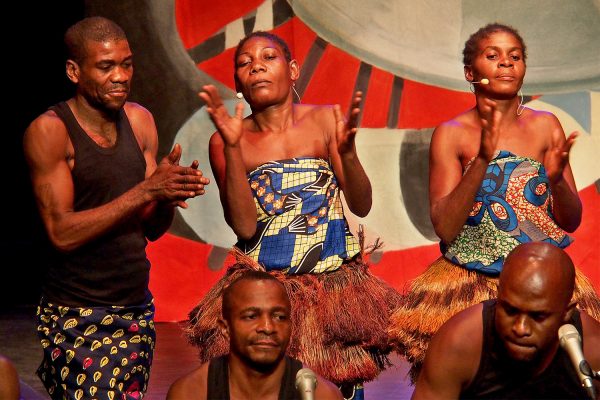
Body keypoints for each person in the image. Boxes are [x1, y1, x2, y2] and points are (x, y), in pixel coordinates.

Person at [185, 31, 401, 399]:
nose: (257, 66)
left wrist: (347, 154)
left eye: (269, 57)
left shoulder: (323, 121)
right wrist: (234, 150)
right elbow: (243, 226)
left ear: (294, 70)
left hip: (332, 290)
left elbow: (361, 205)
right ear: (238, 82)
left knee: (336, 391)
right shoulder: (224, 141)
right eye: (245, 62)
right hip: (268, 293)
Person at [388, 22, 600, 382]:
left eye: (515, 57)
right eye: (493, 56)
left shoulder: (546, 126)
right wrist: (483, 160)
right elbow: (444, 226)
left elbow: (571, 221)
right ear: (470, 73)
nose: (506, 63)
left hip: (540, 283)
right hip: (470, 282)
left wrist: (555, 181)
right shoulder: (452, 133)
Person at [22, 16, 210, 400]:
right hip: (76, 312)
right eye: (106, 66)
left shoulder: (140, 121)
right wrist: (146, 190)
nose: (121, 76)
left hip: (135, 307)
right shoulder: (50, 131)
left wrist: (165, 197)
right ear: (74, 71)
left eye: (126, 64)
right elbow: (60, 232)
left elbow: (151, 229)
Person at [411, 242, 600, 399]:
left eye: (538, 316)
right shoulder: (459, 343)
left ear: (566, 313)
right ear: (498, 296)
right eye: (510, 310)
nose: (520, 328)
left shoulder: (593, 349)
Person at [168, 269, 343, 399]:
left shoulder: (320, 394)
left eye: (279, 317)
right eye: (251, 316)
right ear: (225, 328)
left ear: (291, 326)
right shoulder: (191, 393)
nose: (267, 327)